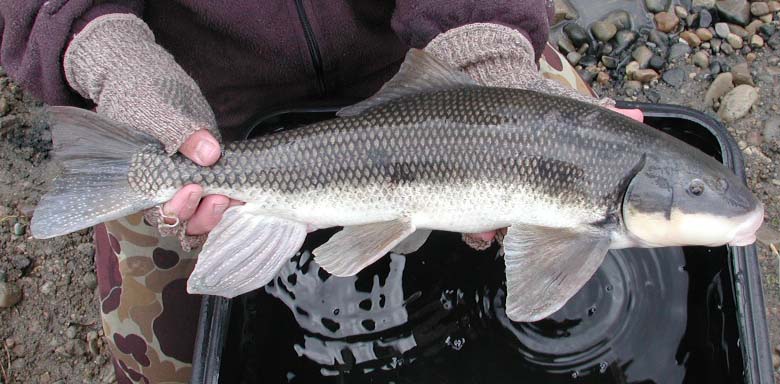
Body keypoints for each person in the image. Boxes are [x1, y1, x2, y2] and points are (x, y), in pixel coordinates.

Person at [0, 1, 643, 382]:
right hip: (194, 105)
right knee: (170, 364)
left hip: (434, 57)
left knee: (591, 139)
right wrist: (106, 51)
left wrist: (488, 66)